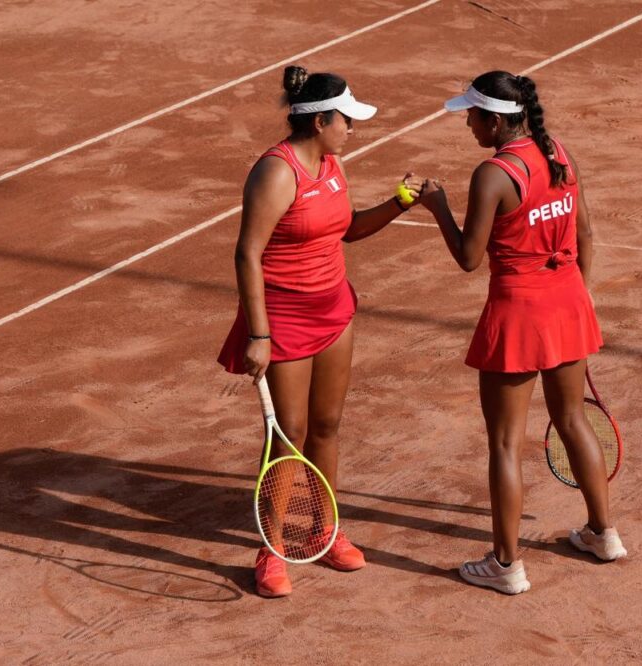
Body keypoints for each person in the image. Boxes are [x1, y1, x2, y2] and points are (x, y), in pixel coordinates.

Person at [217, 65, 423, 598]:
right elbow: (247, 253)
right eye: (345, 121)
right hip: (283, 319)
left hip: (334, 311)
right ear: (319, 121)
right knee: (289, 433)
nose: (351, 129)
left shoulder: (332, 164)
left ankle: (324, 531)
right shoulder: (276, 173)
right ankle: (272, 549)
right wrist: (258, 335)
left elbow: (347, 228)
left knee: (327, 425)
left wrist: (400, 203)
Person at [418, 71, 627, 595]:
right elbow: (585, 232)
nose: (467, 123)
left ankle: (506, 565)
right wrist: (577, 298)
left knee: (505, 442)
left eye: (471, 115)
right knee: (573, 419)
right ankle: (603, 535)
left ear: (494, 121)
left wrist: (437, 206)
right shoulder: (558, 152)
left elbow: (469, 257)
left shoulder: (492, 174)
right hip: (567, 301)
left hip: (517, 314)